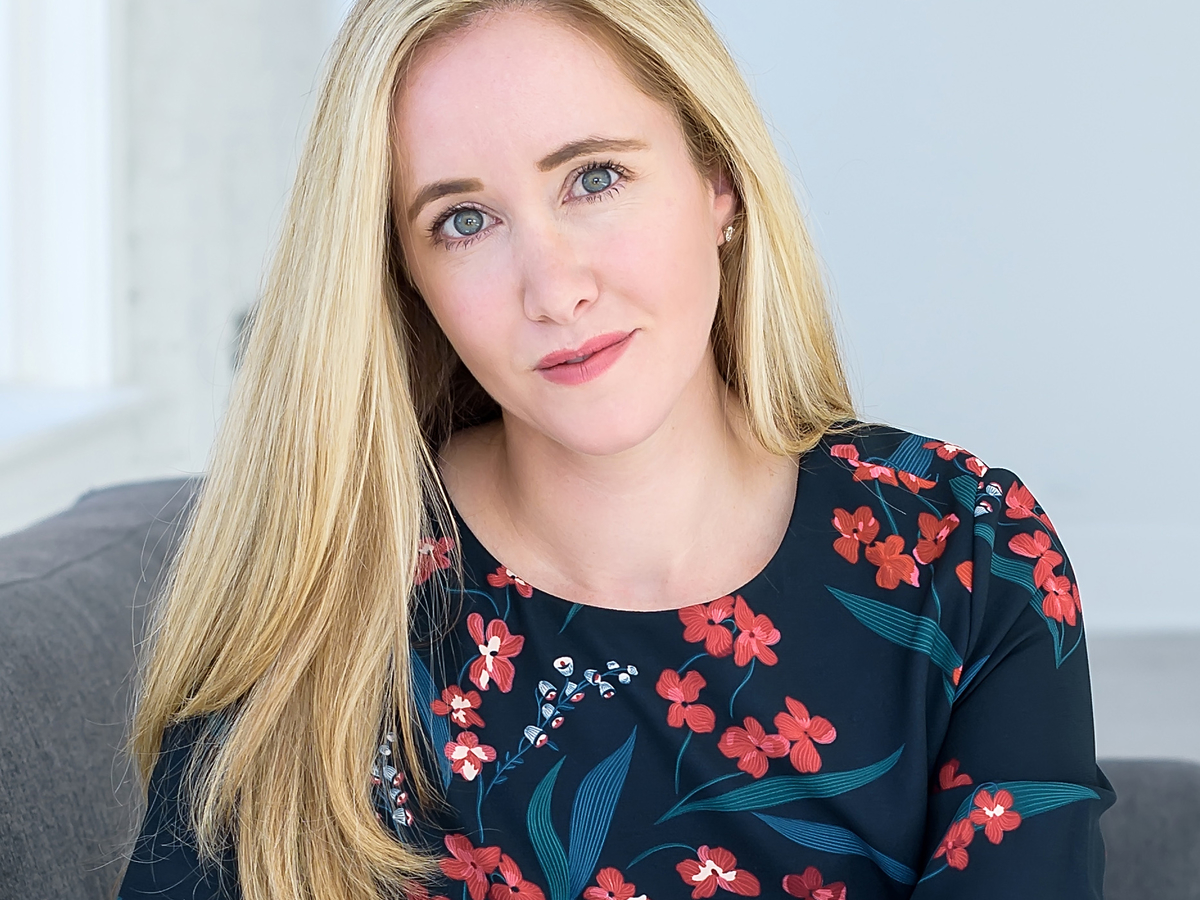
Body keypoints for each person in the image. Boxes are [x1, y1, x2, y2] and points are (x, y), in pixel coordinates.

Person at [118, 1, 1114, 898]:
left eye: (594, 177)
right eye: (462, 222)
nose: (554, 288)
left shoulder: (966, 551)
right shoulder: (314, 609)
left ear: (718, 180)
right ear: (403, 278)